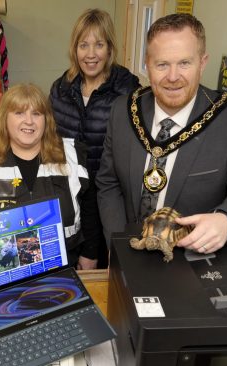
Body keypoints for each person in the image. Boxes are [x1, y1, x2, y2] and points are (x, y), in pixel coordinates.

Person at [96, 13, 227, 255]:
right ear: (147, 64)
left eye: (184, 63)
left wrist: (226, 220)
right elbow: (108, 183)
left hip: (189, 261)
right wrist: (116, 246)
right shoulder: (122, 111)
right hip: (129, 248)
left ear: (202, 63)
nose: (172, 77)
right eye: (162, 64)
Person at [0, 83, 94, 268]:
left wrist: (90, 254)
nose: (29, 121)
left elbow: (91, 211)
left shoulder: (71, 155)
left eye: (36, 113)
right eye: (19, 113)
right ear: (5, 118)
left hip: (64, 268)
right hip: (3, 273)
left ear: (47, 119)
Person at [50, 8, 140, 268]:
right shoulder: (61, 89)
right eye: (83, 45)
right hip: (72, 200)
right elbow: (50, 142)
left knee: (110, 271)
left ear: (110, 49)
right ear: (74, 49)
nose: (90, 54)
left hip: (112, 200)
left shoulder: (127, 91)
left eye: (99, 44)